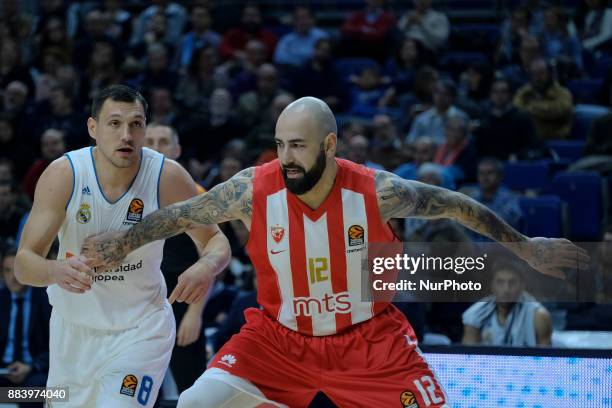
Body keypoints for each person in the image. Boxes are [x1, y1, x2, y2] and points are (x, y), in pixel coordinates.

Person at [82, 96, 587, 408]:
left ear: (329, 144)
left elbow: (454, 206)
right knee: (195, 405)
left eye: (297, 146)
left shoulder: (376, 191)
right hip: (278, 342)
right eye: (279, 145)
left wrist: (524, 247)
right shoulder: (251, 191)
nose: (285, 159)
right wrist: (121, 242)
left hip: (369, 344)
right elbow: (182, 214)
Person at [14, 85, 231, 407]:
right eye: (114, 123)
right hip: (72, 335)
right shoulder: (64, 175)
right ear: (93, 128)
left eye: (136, 124)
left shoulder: (167, 176)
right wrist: (54, 269)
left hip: (141, 330)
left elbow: (216, 239)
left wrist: (205, 266)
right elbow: (23, 264)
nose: (126, 135)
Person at [144, 123, 209, 393]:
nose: (157, 148)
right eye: (150, 141)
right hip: (142, 303)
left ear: (177, 149)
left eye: (163, 141)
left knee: (191, 390)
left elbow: (210, 259)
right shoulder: (128, 193)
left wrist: (195, 314)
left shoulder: (197, 194)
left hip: (184, 299)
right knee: (140, 390)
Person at [1, 246, 51, 408]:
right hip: (4, 371)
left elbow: (59, 346)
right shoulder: (1, 300)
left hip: (36, 371)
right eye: (7, 271)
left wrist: (31, 367)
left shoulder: (47, 299)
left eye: (16, 271)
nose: (13, 278)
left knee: (54, 392)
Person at [462, 259, 552, 346]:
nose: (506, 289)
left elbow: (546, 359)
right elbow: (468, 358)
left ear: (522, 286)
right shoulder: (475, 315)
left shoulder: (539, 317)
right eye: (500, 282)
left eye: (512, 283)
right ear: (492, 285)